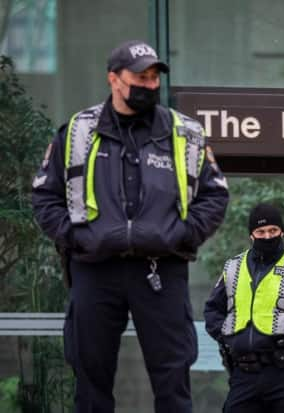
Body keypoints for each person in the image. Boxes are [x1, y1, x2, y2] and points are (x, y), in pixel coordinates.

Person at [31, 40, 229, 412]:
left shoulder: (184, 133)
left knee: (173, 378)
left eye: (154, 77)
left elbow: (215, 195)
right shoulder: (77, 132)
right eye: (140, 77)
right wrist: (77, 238)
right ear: (113, 79)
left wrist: (182, 234)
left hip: (161, 270)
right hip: (94, 270)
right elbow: (44, 196)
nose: (150, 85)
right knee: (90, 377)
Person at [204, 203, 284, 413]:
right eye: (260, 231)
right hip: (244, 374)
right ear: (251, 235)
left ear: (282, 231)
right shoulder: (233, 266)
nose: (267, 236)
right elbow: (212, 312)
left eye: (273, 230)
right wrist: (229, 337)